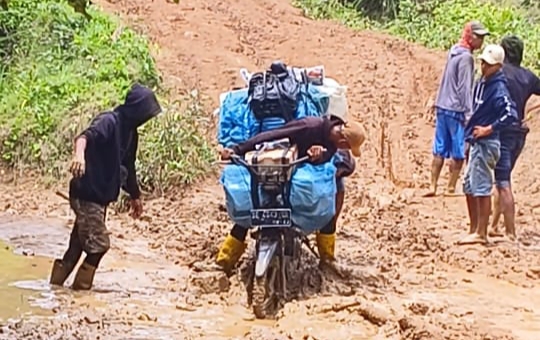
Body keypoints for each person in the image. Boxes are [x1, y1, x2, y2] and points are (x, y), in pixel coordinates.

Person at [217, 116, 365, 275]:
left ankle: (327, 259)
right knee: (250, 211)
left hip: (297, 171)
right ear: (344, 142)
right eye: (348, 147)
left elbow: (327, 155)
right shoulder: (310, 126)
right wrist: (237, 150)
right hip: (277, 167)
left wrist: (318, 155)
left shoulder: (331, 141)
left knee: (326, 206)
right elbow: (273, 135)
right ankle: (224, 261)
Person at [49, 84, 162, 290]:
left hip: (100, 197)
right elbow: (84, 137)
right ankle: (80, 293)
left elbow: (129, 165)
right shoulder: (109, 121)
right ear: (136, 109)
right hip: (86, 193)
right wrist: (79, 156)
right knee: (99, 245)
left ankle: (55, 289)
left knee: (77, 246)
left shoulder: (130, 133)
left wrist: (135, 196)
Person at [458, 44, 518, 245]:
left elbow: (511, 114)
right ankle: (475, 228)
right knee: (469, 185)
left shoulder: (499, 88)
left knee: (481, 187)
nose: (483, 66)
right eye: (483, 62)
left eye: (488, 64)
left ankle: (481, 232)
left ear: (498, 66)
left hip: (487, 143)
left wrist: (489, 129)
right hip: (476, 141)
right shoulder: (482, 82)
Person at [425, 21, 489, 197]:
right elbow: (464, 88)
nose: (481, 41)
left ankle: (433, 185)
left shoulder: (454, 51)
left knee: (439, 147)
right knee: (459, 150)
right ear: (471, 36)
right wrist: (469, 114)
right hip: (456, 110)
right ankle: (451, 188)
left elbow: (446, 79)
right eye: (479, 37)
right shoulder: (467, 58)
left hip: (443, 105)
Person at [489, 35, 540, 241]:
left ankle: (510, 232)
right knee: (502, 178)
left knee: (502, 182)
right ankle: (494, 225)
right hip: (518, 133)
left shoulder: (498, 73)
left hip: (502, 132)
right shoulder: (527, 76)